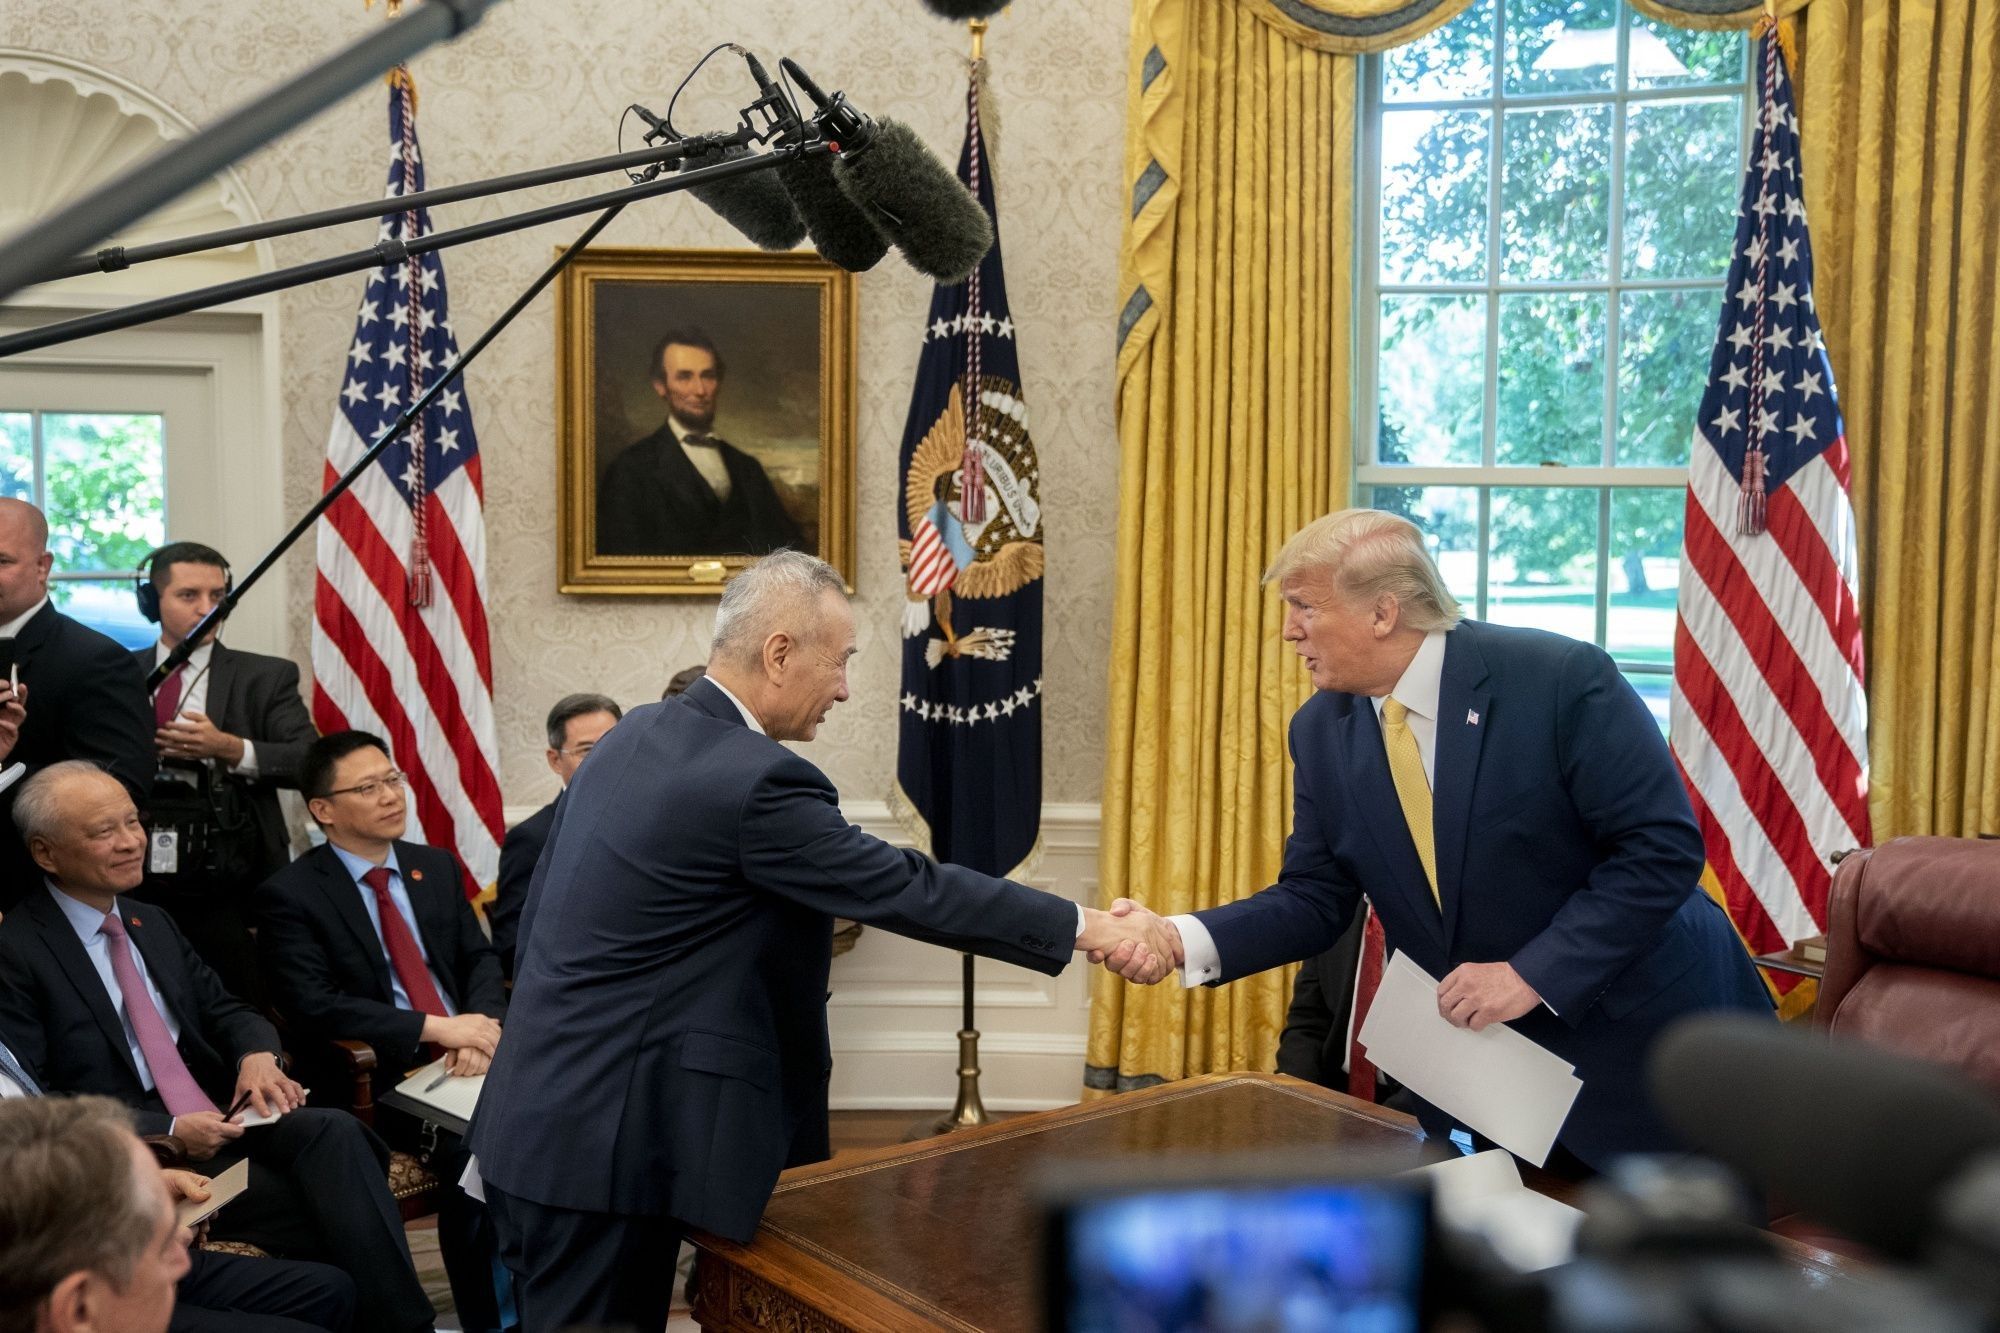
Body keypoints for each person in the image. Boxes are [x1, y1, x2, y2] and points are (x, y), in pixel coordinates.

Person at [465, 550, 1176, 1333]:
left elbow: (545, 931)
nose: (842, 687)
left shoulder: (636, 735)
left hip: (537, 1122)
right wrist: (1092, 926)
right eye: (840, 663)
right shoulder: (753, 780)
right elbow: (911, 888)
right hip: (603, 1151)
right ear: (779, 653)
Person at [1114, 509, 1772, 1169]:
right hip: (1497, 1083)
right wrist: (1177, 938)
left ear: (1383, 612)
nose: (1289, 630)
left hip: (1650, 1058)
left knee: (1688, 1269)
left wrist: (1531, 975)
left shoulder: (1559, 679)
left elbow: (1661, 851)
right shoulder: (1320, 730)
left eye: (1304, 607)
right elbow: (1316, 898)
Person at [0, 761, 436, 1333]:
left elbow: (228, 1009)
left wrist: (259, 1055)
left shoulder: (148, 920)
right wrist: (172, 1128)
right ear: (45, 853)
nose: (133, 842)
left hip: (225, 1119)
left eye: (134, 822)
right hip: (140, 1148)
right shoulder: (18, 948)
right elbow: (36, 1103)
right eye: (104, 832)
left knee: (333, 1133)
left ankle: (406, 1327)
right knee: (335, 1210)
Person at [256, 730, 507, 1332]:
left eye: (393, 779)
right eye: (367, 788)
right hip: (382, 1074)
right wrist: (437, 1028)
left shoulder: (434, 866)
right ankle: (494, 1319)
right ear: (323, 811)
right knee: (485, 1151)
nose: (392, 796)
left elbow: (478, 960)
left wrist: (478, 1030)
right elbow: (313, 1005)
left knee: (574, 1113)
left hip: (470, 1052)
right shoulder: (289, 895)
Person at [0, 1071, 356, 1333]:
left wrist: (151, 1190)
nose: (180, 1259)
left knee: (332, 1290)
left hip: (96, 1232)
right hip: (70, 1268)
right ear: (78, 1309)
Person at [127, 542, 319, 1005]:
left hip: (233, 876)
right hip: (136, 869)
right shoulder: (118, 672)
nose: (207, 609)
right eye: (189, 595)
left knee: (241, 1001)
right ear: (152, 602)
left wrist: (232, 749)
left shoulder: (265, 676)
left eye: (218, 596)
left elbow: (310, 760)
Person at [0, 497, 153, 909]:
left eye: (1, 561)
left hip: (34, 894)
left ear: (43, 567)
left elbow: (121, 789)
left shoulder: (95, 660)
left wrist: (4, 768)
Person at [594, 329, 804, 557]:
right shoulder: (630, 469)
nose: (700, 390)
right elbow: (618, 561)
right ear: (660, 386)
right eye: (685, 377)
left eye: (708, 376)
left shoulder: (748, 469)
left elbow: (790, 553)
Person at [489, 694, 622, 980]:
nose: (604, 759)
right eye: (587, 750)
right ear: (555, 760)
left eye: (614, 745)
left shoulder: (650, 818)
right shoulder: (532, 839)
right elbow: (512, 945)